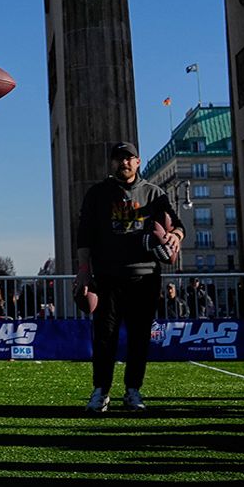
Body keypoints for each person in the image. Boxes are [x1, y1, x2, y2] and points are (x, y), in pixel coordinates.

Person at [74, 142, 184, 412]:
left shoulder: (154, 193)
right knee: (104, 337)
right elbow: (85, 235)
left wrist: (175, 236)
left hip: (145, 277)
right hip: (108, 276)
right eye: (118, 158)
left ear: (138, 161)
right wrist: (84, 271)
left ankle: (133, 390)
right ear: (111, 163)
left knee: (139, 337)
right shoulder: (98, 193)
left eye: (128, 158)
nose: (123, 162)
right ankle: (101, 390)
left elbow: (177, 225)